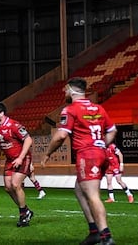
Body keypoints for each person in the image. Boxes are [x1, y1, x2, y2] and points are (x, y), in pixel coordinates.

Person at [42, 77, 117, 245]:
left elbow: (61, 136)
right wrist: (101, 145)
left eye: (66, 90)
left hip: (88, 155)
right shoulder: (98, 108)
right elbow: (112, 131)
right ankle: (94, 231)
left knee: (92, 195)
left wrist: (47, 153)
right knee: (79, 189)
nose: (64, 93)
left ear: (71, 90)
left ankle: (105, 236)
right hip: (100, 154)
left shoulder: (70, 110)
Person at [0, 102, 35, 227]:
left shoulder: (14, 125)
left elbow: (28, 139)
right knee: (8, 188)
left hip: (23, 158)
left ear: (2, 113)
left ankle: (23, 215)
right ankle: (26, 210)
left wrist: (20, 158)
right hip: (10, 160)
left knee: (15, 184)